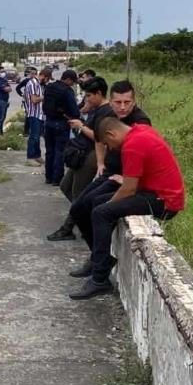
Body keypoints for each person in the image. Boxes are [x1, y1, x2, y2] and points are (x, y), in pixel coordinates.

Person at [69, 117, 185, 299]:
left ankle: (100, 279)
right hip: (153, 191)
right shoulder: (141, 130)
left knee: (102, 212)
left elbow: (129, 188)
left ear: (111, 134)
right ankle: (100, 260)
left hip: (164, 201)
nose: (112, 148)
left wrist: (110, 204)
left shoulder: (132, 145)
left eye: (108, 144)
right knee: (96, 202)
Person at [66, 79, 152, 274]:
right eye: (118, 102)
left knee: (97, 207)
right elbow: (98, 138)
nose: (122, 107)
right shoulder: (107, 115)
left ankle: (99, 266)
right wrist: (100, 163)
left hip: (125, 176)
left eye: (127, 102)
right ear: (111, 101)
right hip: (108, 172)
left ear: (134, 101)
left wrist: (130, 180)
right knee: (78, 208)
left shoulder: (141, 122)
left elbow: (147, 155)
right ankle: (99, 258)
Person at [46, 76, 109, 241]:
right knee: (65, 186)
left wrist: (81, 127)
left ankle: (68, 228)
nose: (86, 99)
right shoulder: (95, 109)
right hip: (81, 153)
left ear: (99, 94)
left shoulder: (106, 112)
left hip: (91, 156)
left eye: (89, 96)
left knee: (78, 195)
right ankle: (83, 216)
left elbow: (100, 137)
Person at [42, 69, 80, 185]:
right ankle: (57, 179)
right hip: (61, 123)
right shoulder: (67, 91)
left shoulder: (49, 87)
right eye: (72, 82)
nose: (73, 84)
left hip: (48, 122)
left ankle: (48, 177)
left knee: (49, 151)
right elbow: (74, 110)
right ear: (68, 79)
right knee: (60, 151)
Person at [24, 67, 45, 167]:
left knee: (37, 137)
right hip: (34, 114)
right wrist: (44, 97)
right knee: (34, 136)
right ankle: (30, 157)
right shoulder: (33, 84)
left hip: (39, 114)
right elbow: (34, 100)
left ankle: (37, 155)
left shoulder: (37, 84)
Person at [0, 66, 12, 134]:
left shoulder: (4, 80)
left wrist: (8, 88)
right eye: (1, 72)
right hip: (1, 101)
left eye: (4, 71)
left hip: (4, 101)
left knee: (2, 117)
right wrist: (8, 88)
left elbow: (10, 89)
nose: (3, 73)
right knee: (0, 118)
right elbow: (6, 89)